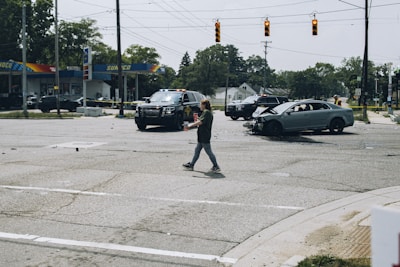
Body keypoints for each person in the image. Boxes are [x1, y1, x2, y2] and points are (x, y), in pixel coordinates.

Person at [182, 99, 221, 173]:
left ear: (204, 105)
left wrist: (190, 125)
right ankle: (191, 165)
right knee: (197, 151)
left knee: (209, 152)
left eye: (201, 104)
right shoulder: (206, 112)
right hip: (202, 135)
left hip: (204, 136)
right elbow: (199, 120)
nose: (200, 106)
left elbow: (200, 122)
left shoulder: (206, 112)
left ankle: (216, 166)